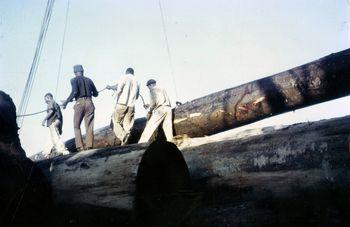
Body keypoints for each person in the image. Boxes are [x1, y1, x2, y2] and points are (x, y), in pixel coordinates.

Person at [62, 65, 98, 151]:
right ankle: (89, 146)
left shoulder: (74, 80)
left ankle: (80, 147)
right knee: (89, 126)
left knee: (76, 126)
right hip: (89, 102)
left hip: (79, 103)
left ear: (75, 72)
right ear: (83, 71)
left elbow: (75, 92)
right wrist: (90, 93)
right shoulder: (89, 80)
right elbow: (96, 94)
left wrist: (66, 101)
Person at [107, 67, 140, 145]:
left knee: (114, 121)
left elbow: (119, 88)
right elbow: (137, 96)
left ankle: (123, 136)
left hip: (122, 103)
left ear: (126, 72)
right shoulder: (137, 80)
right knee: (127, 125)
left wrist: (110, 87)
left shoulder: (124, 77)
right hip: (131, 105)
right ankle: (125, 143)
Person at [138, 79, 173, 143]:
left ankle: (140, 144)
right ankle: (171, 144)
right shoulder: (162, 88)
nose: (148, 88)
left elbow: (153, 103)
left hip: (160, 110)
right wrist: (148, 105)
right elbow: (158, 100)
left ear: (150, 85)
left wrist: (150, 112)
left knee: (149, 127)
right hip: (168, 108)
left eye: (148, 87)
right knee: (168, 130)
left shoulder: (152, 89)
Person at [41, 93, 68, 157]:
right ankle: (46, 153)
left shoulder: (51, 102)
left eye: (45, 100)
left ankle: (62, 150)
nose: (45, 102)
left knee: (55, 137)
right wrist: (60, 127)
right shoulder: (56, 104)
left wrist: (44, 120)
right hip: (57, 121)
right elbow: (61, 116)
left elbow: (51, 112)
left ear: (48, 98)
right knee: (49, 138)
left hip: (53, 121)